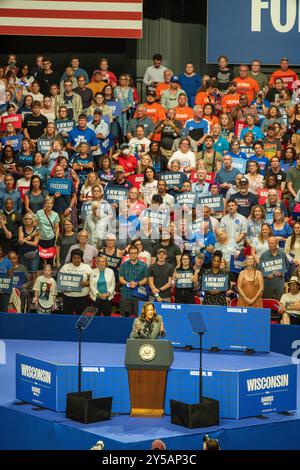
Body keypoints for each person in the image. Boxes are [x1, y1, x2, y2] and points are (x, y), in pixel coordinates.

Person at [59, 248, 92, 315]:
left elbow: (92, 281)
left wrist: (85, 284)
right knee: (67, 317)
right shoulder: (65, 267)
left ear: (81, 258)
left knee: (80, 318)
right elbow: (60, 281)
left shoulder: (87, 267)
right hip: (68, 297)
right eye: (74, 258)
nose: (76, 260)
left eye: (78, 258)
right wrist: (64, 288)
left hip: (82, 297)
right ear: (71, 258)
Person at [119, 245, 148, 317]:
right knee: (124, 318)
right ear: (129, 254)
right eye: (131, 253)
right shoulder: (124, 265)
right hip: (126, 295)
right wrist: (128, 284)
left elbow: (145, 279)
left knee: (140, 318)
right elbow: (121, 278)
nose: (133, 255)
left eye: (135, 253)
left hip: (139, 296)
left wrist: (137, 283)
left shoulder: (144, 265)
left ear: (138, 254)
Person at [0, 244, 13, 312]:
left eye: (0, 250)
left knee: (3, 309)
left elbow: (10, 276)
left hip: (5, 290)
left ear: (2, 251)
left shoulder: (7, 261)